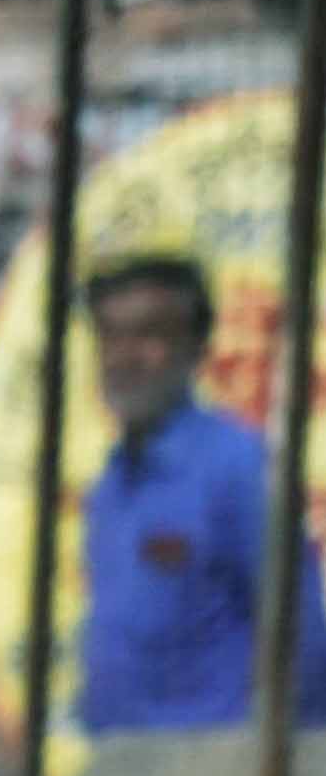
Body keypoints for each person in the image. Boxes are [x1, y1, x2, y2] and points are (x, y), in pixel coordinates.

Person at [75, 255, 326, 736]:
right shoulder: (110, 487)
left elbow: (305, 645)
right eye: (109, 335)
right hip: (119, 774)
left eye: (148, 334)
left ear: (194, 348)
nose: (123, 355)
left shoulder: (236, 467)